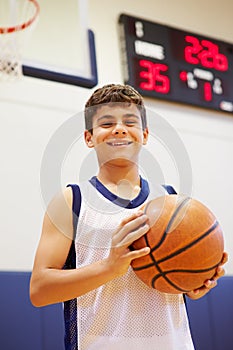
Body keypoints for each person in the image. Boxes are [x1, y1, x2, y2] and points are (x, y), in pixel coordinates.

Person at [30, 83, 228, 350]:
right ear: (89, 137)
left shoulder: (170, 199)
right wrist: (109, 267)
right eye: (107, 122)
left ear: (144, 134)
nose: (120, 128)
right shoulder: (71, 201)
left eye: (130, 121)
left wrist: (192, 282)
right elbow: (40, 291)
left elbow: (172, 283)